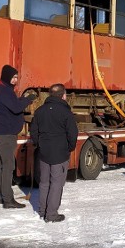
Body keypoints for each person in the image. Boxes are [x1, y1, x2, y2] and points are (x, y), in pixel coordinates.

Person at [0, 64, 37, 208]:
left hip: (1, 132)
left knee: (1, 165)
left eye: (16, 77)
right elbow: (16, 107)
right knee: (8, 166)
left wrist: (23, 99)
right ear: (6, 76)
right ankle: (8, 200)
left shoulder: (4, 89)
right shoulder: (4, 91)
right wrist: (28, 99)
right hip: (5, 134)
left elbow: (14, 104)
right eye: (13, 77)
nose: (15, 80)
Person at [30, 83, 78, 222]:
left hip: (44, 152)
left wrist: (39, 144)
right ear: (63, 95)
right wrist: (69, 147)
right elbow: (72, 133)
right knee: (56, 183)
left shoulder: (40, 111)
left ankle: (43, 210)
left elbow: (34, 131)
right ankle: (51, 214)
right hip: (60, 153)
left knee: (44, 183)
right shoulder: (66, 112)